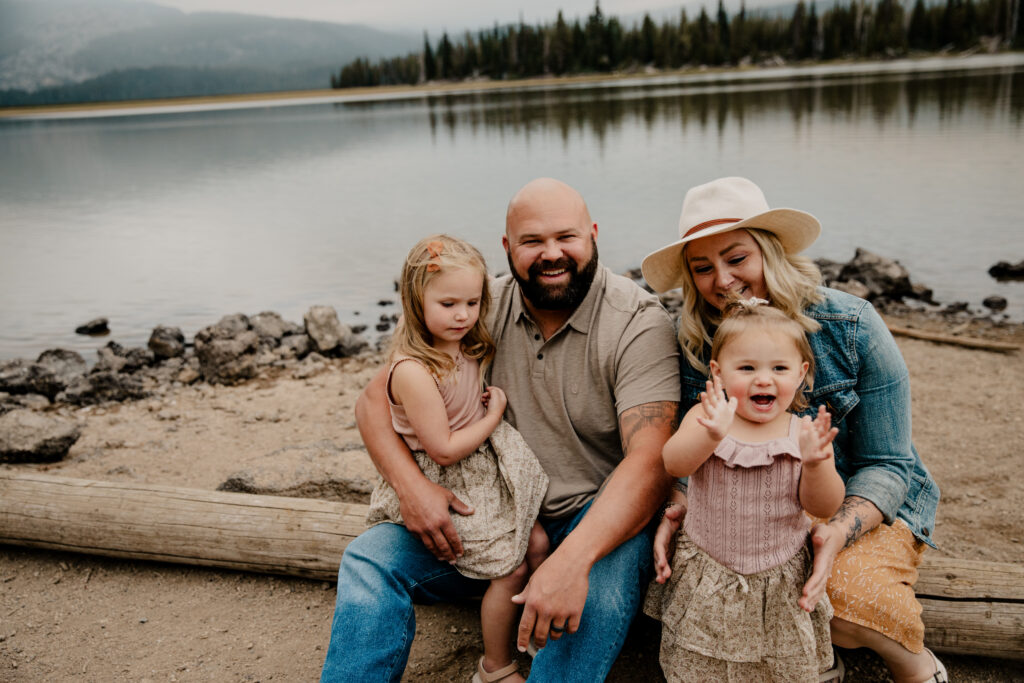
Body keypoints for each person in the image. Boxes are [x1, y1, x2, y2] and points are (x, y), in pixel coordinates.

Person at [320, 177, 681, 683]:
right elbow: (370, 404)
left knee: (596, 593)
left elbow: (651, 460)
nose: (551, 254)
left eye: (566, 237)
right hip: (493, 516)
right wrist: (414, 489)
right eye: (532, 241)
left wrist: (569, 560)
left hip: (596, 520)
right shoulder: (477, 308)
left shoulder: (637, 323)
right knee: (369, 558)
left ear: (594, 235)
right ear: (508, 248)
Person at [642, 176, 945, 683]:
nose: (721, 280)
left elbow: (890, 464)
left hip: (861, 503)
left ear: (770, 251)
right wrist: (678, 501)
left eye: (736, 259)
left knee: (837, 593)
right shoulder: (698, 341)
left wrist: (837, 530)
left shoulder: (852, 324)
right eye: (702, 268)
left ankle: (913, 663)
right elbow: (692, 449)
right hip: (757, 512)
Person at [362, 234, 550, 683]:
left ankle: (545, 642)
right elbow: (443, 449)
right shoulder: (414, 371)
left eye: (472, 301)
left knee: (541, 543)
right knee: (511, 565)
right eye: (448, 304)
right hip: (450, 475)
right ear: (415, 300)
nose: (463, 315)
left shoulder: (466, 341)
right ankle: (495, 666)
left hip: (484, 465)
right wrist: (495, 415)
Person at [651, 298, 844, 681]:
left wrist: (816, 464)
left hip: (779, 575)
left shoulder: (803, 435)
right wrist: (710, 437)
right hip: (710, 570)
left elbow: (822, 505)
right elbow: (674, 464)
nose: (763, 379)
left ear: (802, 373)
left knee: (776, 665)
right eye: (747, 367)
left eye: (779, 368)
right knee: (700, 661)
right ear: (718, 373)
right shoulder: (706, 418)